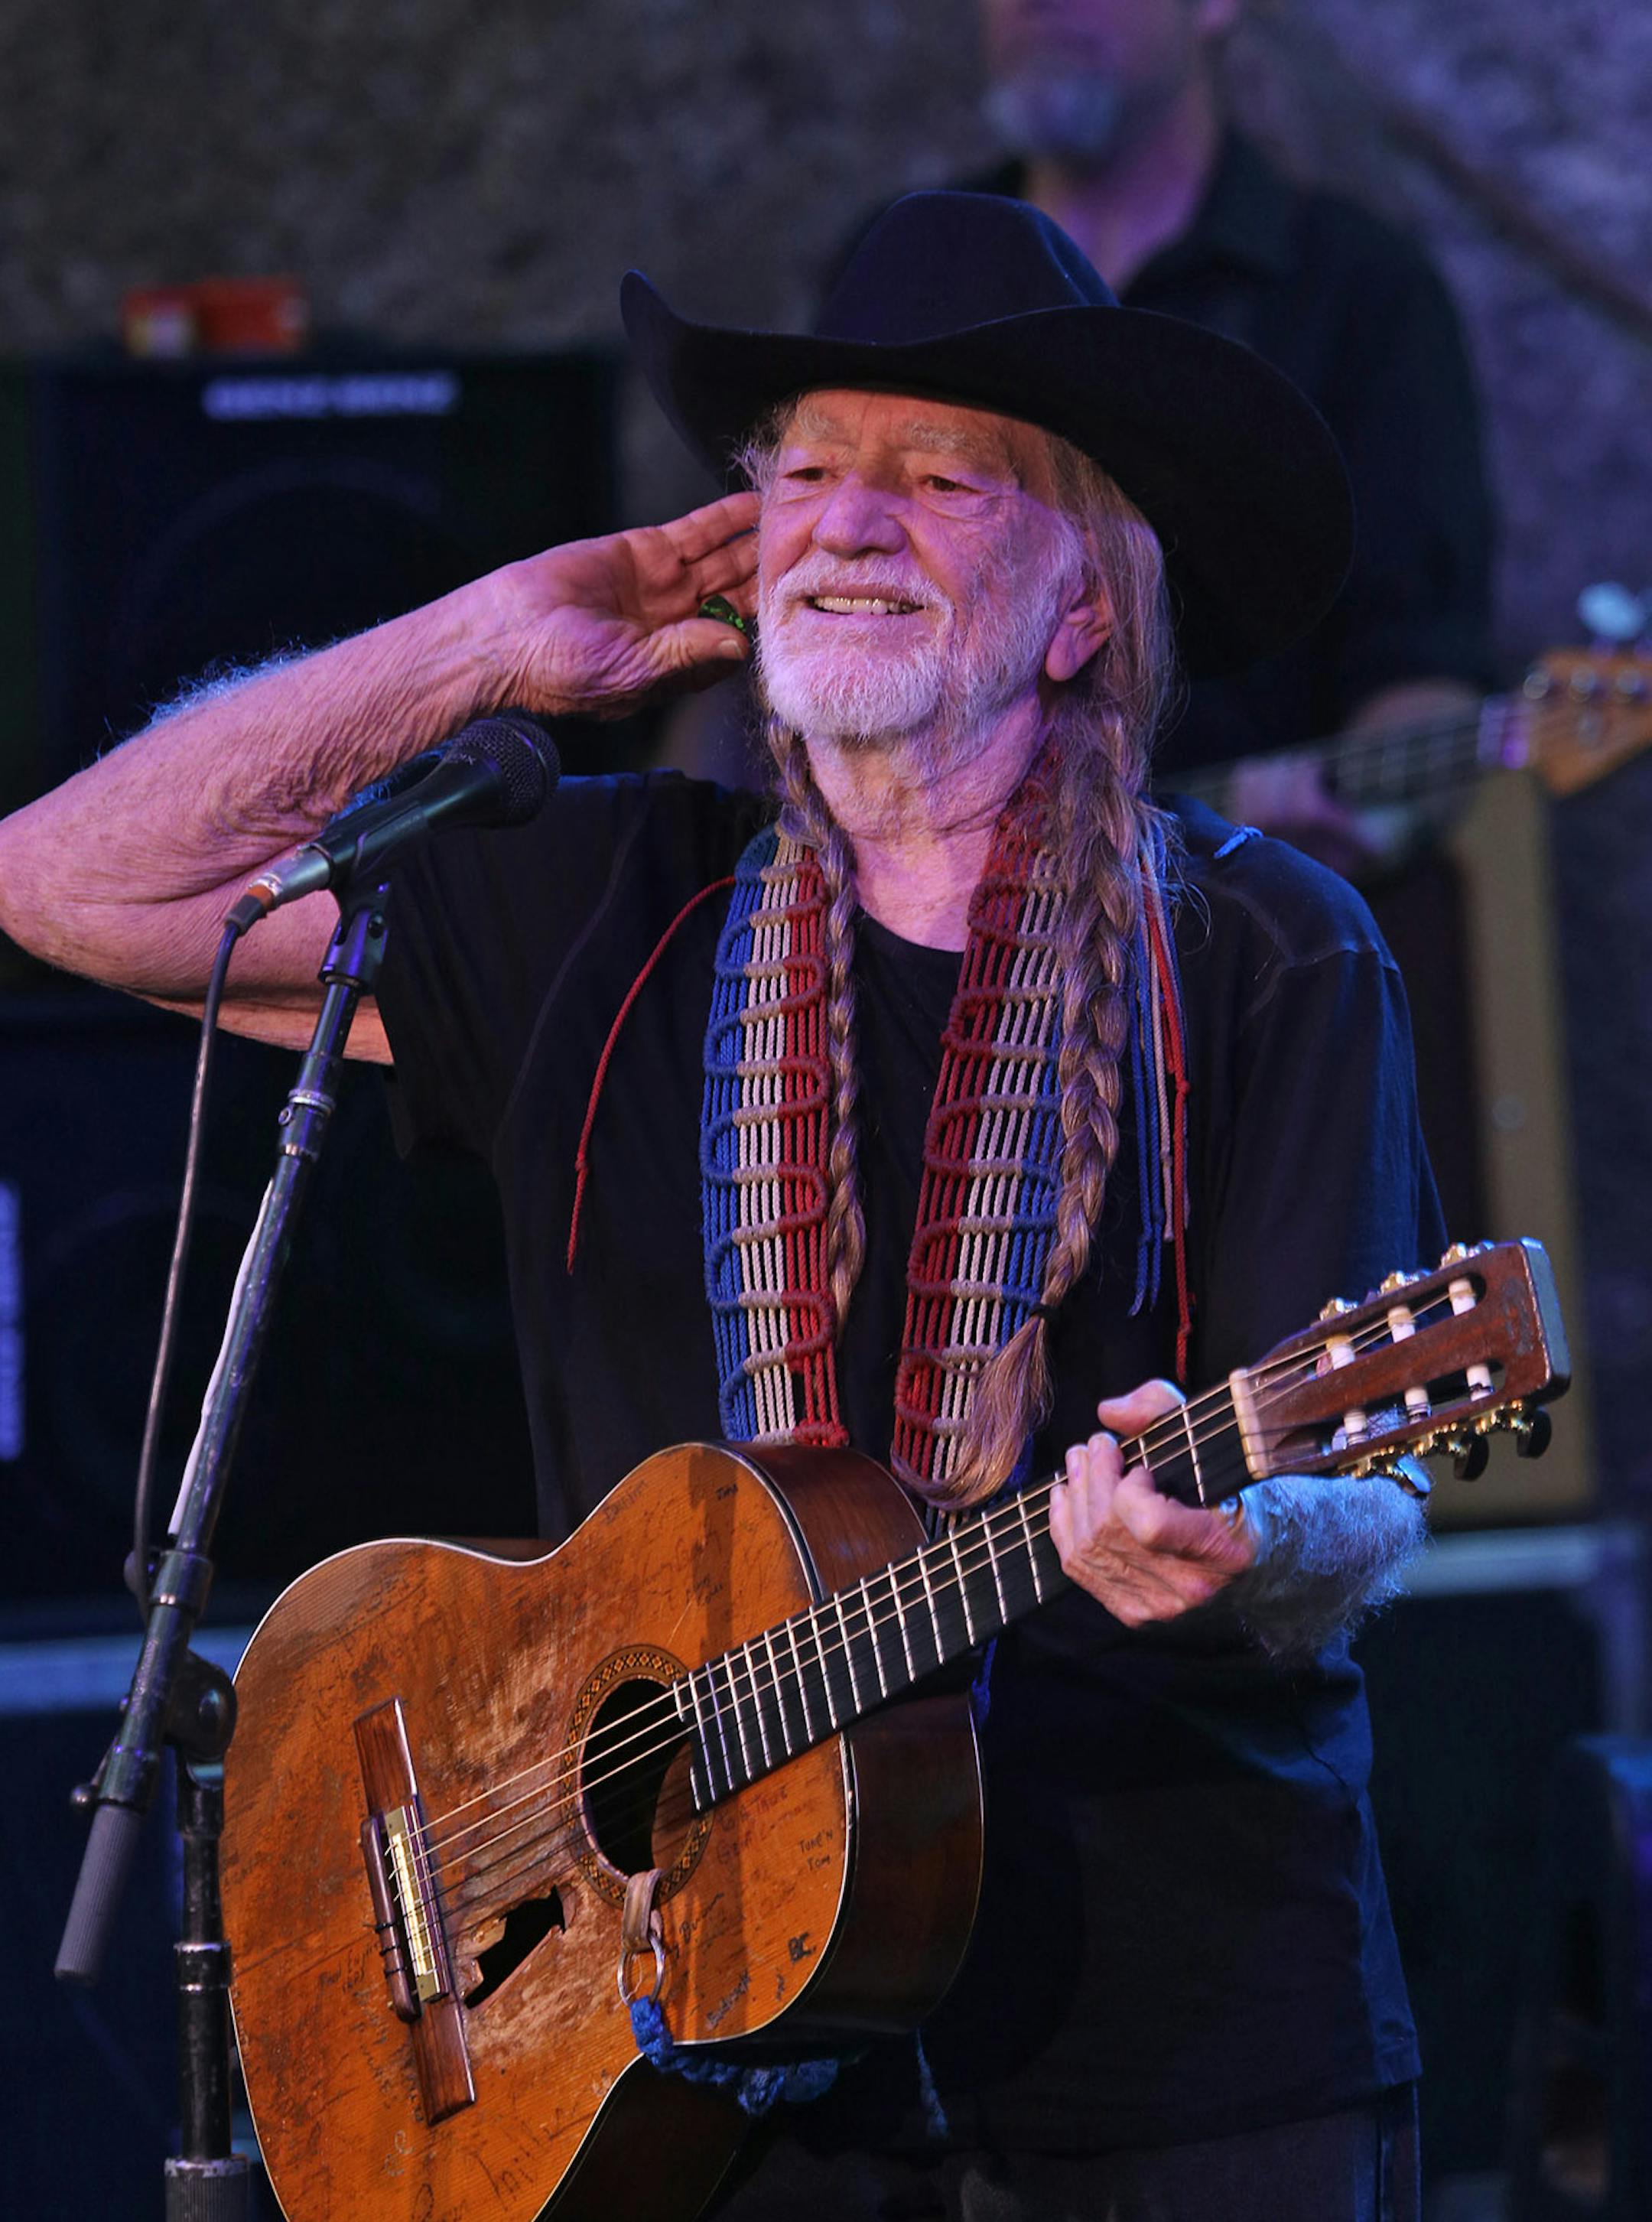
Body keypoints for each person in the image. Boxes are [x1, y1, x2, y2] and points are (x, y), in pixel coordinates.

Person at [0, 193, 1439, 2218]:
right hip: (691, 2076)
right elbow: (68, 883)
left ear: (1082, 609)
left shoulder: (1273, 949)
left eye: (940, 480)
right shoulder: (606, 897)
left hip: (1172, 2065)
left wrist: (1246, 1547)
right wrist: (493, 638)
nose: (848, 525)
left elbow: (1371, 1485)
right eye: (805, 474)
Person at [966, 0, 1496, 865]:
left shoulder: (1361, 295)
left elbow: (1420, 667)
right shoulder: (909, 268)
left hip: (1221, 928)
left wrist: (1344, 842)